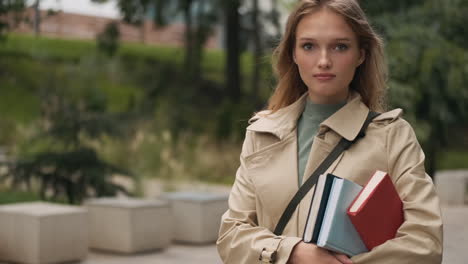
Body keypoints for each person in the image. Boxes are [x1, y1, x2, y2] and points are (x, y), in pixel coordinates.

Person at [216, 0, 443, 263]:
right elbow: (231, 236)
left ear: (361, 54)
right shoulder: (262, 134)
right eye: (309, 46)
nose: (323, 61)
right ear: (293, 53)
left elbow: (426, 242)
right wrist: (292, 252)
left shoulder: (393, 137)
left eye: (340, 46)